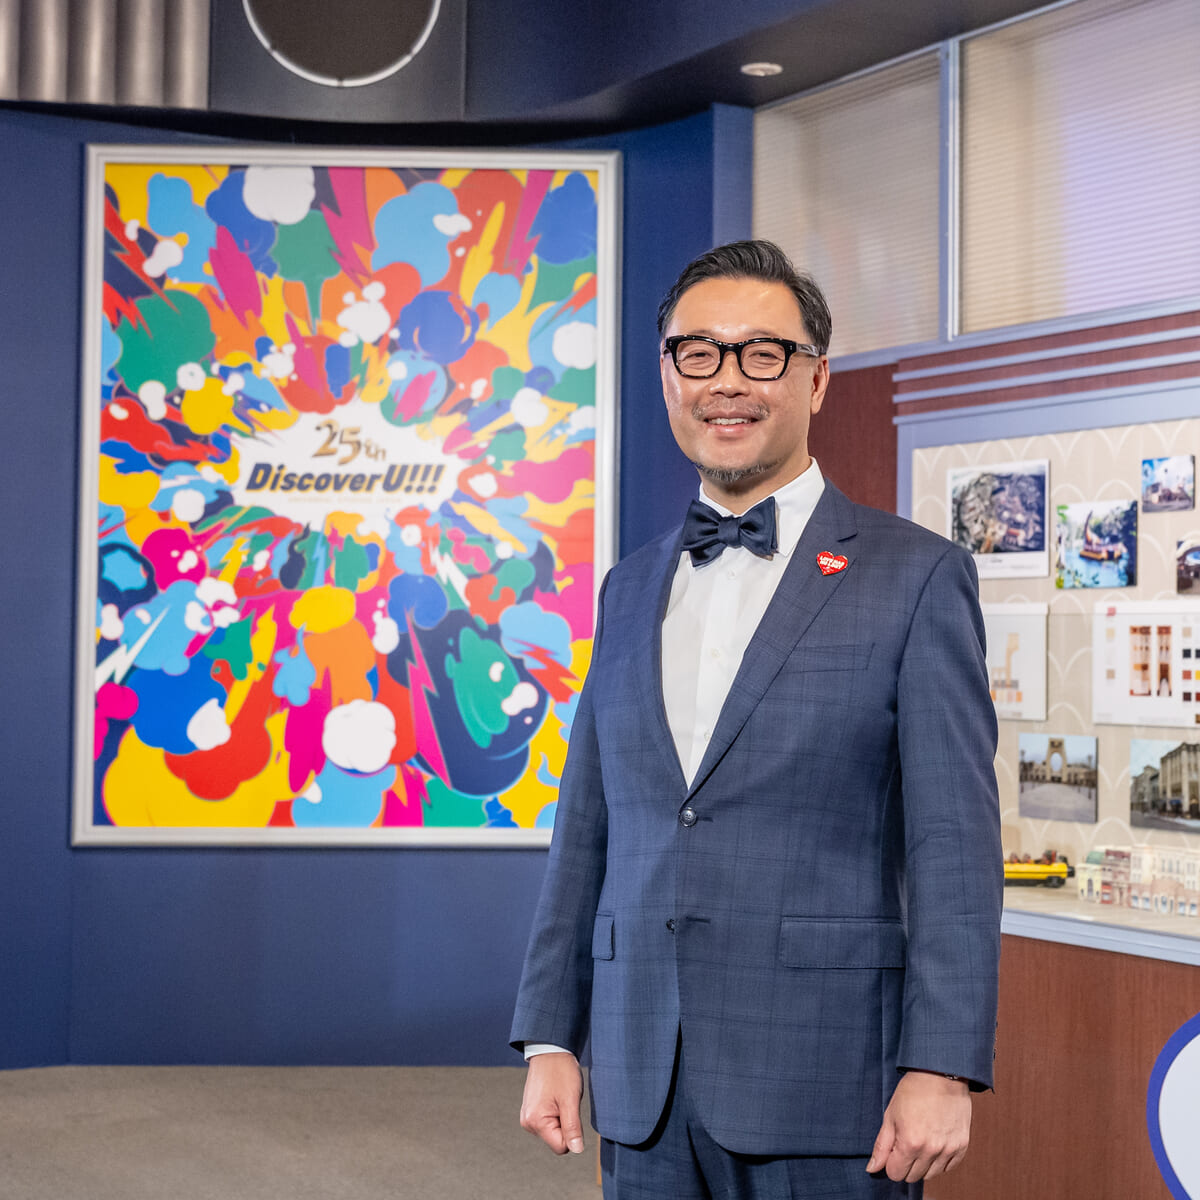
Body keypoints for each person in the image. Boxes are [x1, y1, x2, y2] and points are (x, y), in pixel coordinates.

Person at [511, 239, 1002, 1199]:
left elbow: (954, 844)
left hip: (832, 1081)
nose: (727, 381)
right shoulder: (627, 587)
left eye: (762, 354)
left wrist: (943, 1064)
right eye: (699, 353)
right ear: (667, 376)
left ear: (815, 380)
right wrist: (550, 1036)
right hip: (644, 1079)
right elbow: (589, 828)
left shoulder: (917, 576)